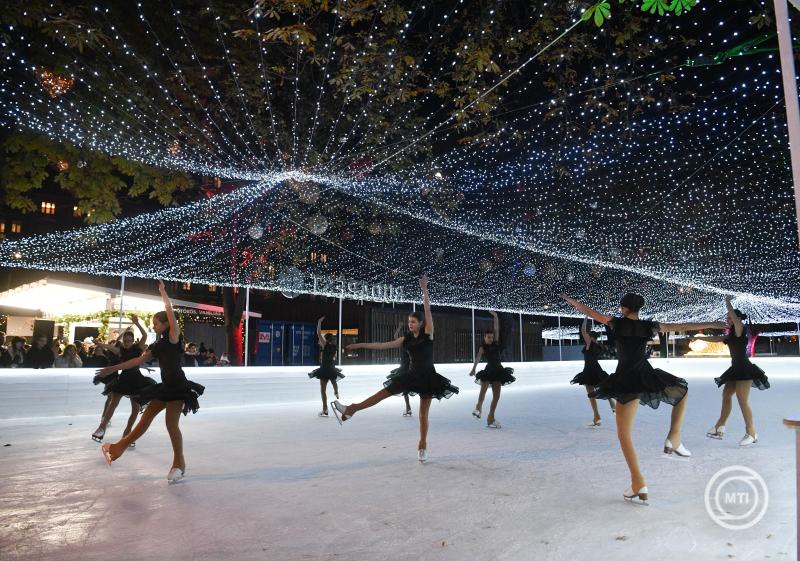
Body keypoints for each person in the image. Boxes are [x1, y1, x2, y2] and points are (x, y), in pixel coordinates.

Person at [560, 292, 725, 503]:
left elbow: (590, 312)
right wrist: (712, 323)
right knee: (681, 393)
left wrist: (572, 301)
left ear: (624, 308)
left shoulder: (616, 323)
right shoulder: (649, 326)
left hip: (625, 379)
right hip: (645, 374)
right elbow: (682, 325)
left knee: (624, 435)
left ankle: (638, 482)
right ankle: (674, 437)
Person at [335, 274, 458, 462]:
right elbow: (382, 345)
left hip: (428, 378)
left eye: (413, 322)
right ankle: (352, 409)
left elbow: (427, 309)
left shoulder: (428, 334)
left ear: (421, 323)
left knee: (422, 414)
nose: (410, 324)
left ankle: (422, 445)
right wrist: (359, 345)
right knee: (381, 394)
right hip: (410, 376)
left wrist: (424, 290)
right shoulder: (405, 339)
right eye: (409, 322)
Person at [97, 280, 205, 482]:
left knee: (171, 424)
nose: (153, 326)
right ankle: (117, 448)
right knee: (145, 419)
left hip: (178, 388)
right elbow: (136, 361)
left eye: (156, 323)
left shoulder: (173, 338)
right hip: (165, 388)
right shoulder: (156, 345)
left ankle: (179, 464)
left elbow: (170, 312)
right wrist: (112, 368)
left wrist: (163, 292)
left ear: (166, 325)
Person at [703, 296, 770, 446]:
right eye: (727, 318)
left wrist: (728, 302)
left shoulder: (740, 329)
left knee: (742, 400)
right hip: (735, 369)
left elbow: (734, 318)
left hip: (744, 369)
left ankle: (751, 432)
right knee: (726, 394)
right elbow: (718, 338)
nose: (728, 320)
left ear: (737, 319)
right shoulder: (732, 333)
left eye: (730, 317)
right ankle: (719, 427)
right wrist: (701, 338)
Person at [91, 315, 155, 444]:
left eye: (129, 341)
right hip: (123, 379)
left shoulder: (138, 348)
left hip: (137, 380)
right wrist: (98, 343)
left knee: (135, 409)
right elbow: (108, 347)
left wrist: (137, 323)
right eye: (125, 341)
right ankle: (102, 428)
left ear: (133, 341)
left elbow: (144, 335)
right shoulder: (120, 350)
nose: (126, 343)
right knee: (113, 404)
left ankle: (127, 432)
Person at [469, 311, 515, 428]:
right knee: (483, 391)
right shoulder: (483, 347)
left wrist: (495, 317)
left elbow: (496, 329)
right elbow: (477, 358)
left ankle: (491, 417)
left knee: (496, 396)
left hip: (498, 370)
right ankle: (478, 408)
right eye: (488, 337)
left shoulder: (496, 343)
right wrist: (473, 369)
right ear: (484, 337)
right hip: (489, 369)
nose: (490, 338)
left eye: (491, 337)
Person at [570, 317, 616, 427]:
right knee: (604, 388)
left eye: (588, 336)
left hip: (589, 370)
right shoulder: (598, 346)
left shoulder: (589, 343)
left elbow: (583, 330)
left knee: (591, 394)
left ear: (590, 337)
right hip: (597, 369)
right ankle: (612, 405)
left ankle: (597, 416)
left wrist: (586, 317)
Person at [307, 316, 344, 417]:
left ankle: (325, 409)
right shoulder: (334, 347)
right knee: (333, 380)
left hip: (324, 369)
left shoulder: (325, 345)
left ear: (326, 339)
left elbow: (318, 333)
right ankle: (336, 392)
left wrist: (319, 322)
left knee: (323, 390)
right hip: (331, 368)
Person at [390, 321, 413, 417]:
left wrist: (399, 327)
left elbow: (395, 337)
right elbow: (395, 337)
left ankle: (408, 407)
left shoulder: (404, 344)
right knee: (407, 388)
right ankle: (408, 407)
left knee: (405, 388)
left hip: (405, 368)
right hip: (408, 367)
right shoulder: (410, 344)